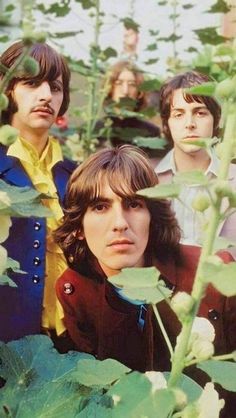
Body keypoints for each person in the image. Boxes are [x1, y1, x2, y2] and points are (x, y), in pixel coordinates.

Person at [54, 146, 235, 377]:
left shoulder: (214, 273)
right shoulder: (75, 289)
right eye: (100, 207)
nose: (120, 223)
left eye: (134, 204)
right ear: (79, 227)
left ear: (153, 216)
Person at [0, 41, 76, 348]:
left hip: (68, 339)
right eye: (31, 83)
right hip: (8, 341)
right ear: (7, 90)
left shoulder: (76, 176)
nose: (46, 95)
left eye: (55, 87)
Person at [155, 70, 236, 247]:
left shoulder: (234, 180)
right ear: (166, 123)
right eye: (178, 114)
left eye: (200, 113)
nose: (189, 123)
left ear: (216, 120)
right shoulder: (148, 180)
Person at [95, 60, 166, 166]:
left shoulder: (151, 133)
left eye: (131, 84)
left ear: (139, 92)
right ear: (110, 88)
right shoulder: (95, 129)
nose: (125, 91)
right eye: (119, 83)